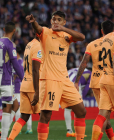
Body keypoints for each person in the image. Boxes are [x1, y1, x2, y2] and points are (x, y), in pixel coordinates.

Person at [26, 11, 86, 140]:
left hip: (64, 80)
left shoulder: (66, 36)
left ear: (64, 22)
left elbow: (82, 37)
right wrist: (33, 22)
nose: (55, 22)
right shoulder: (46, 32)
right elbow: (38, 28)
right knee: (46, 115)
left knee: (81, 111)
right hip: (49, 80)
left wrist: (63, 29)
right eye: (53, 19)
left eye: (59, 20)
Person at [75, 20, 114, 140]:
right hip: (109, 81)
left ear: (102, 31)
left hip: (96, 82)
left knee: (105, 115)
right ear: (113, 31)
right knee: (104, 116)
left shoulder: (92, 44)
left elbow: (84, 63)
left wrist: (77, 81)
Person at [8, 36, 42, 140]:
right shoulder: (38, 46)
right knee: (44, 115)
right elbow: (36, 69)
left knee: (24, 116)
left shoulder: (29, 45)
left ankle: (10, 138)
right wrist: (37, 91)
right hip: (34, 85)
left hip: (24, 84)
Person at [0, 22, 23, 140]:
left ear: (4, 29)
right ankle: (3, 137)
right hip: (4, 80)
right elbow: (15, 64)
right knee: (7, 108)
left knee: (15, 105)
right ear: (14, 31)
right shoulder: (10, 44)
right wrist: (24, 78)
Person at [65, 68, 91, 137]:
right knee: (79, 110)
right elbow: (87, 87)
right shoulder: (91, 73)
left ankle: (69, 131)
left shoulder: (77, 69)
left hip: (63, 81)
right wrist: (82, 97)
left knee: (67, 108)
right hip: (74, 83)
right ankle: (79, 132)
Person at [13, 47, 33, 134]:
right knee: (27, 109)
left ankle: (19, 129)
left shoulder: (17, 63)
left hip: (18, 88)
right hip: (27, 86)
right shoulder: (25, 62)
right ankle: (29, 128)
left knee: (18, 109)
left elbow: (15, 75)